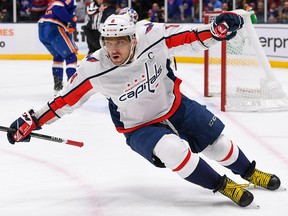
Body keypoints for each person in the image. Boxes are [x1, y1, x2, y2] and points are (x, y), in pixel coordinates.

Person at [6, 9, 281, 208]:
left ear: (133, 38)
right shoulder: (94, 68)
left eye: (120, 42)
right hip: (139, 126)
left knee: (218, 145)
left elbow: (189, 37)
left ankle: (250, 172)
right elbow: (64, 101)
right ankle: (223, 186)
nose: (113, 48)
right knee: (174, 150)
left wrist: (216, 30)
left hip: (175, 106)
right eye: (108, 42)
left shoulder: (153, 36)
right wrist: (33, 120)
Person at [38, 0, 78, 96]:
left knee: (58, 57)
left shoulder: (53, 3)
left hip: (42, 29)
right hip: (53, 26)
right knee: (71, 57)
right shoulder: (67, 1)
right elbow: (58, 6)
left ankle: (58, 86)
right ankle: (71, 88)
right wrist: (70, 22)